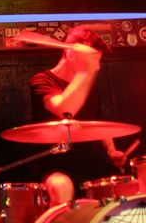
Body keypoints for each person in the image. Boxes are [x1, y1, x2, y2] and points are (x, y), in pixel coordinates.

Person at [29, 26, 126, 204]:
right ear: (70, 53)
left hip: (92, 164)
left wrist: (112, 151)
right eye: (91, 60)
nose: (96, 67)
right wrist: (86, 71)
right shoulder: (42, 80)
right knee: (61, 187)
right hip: (56, 166)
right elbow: (65, 109)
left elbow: (97, 124)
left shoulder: (89, 86)